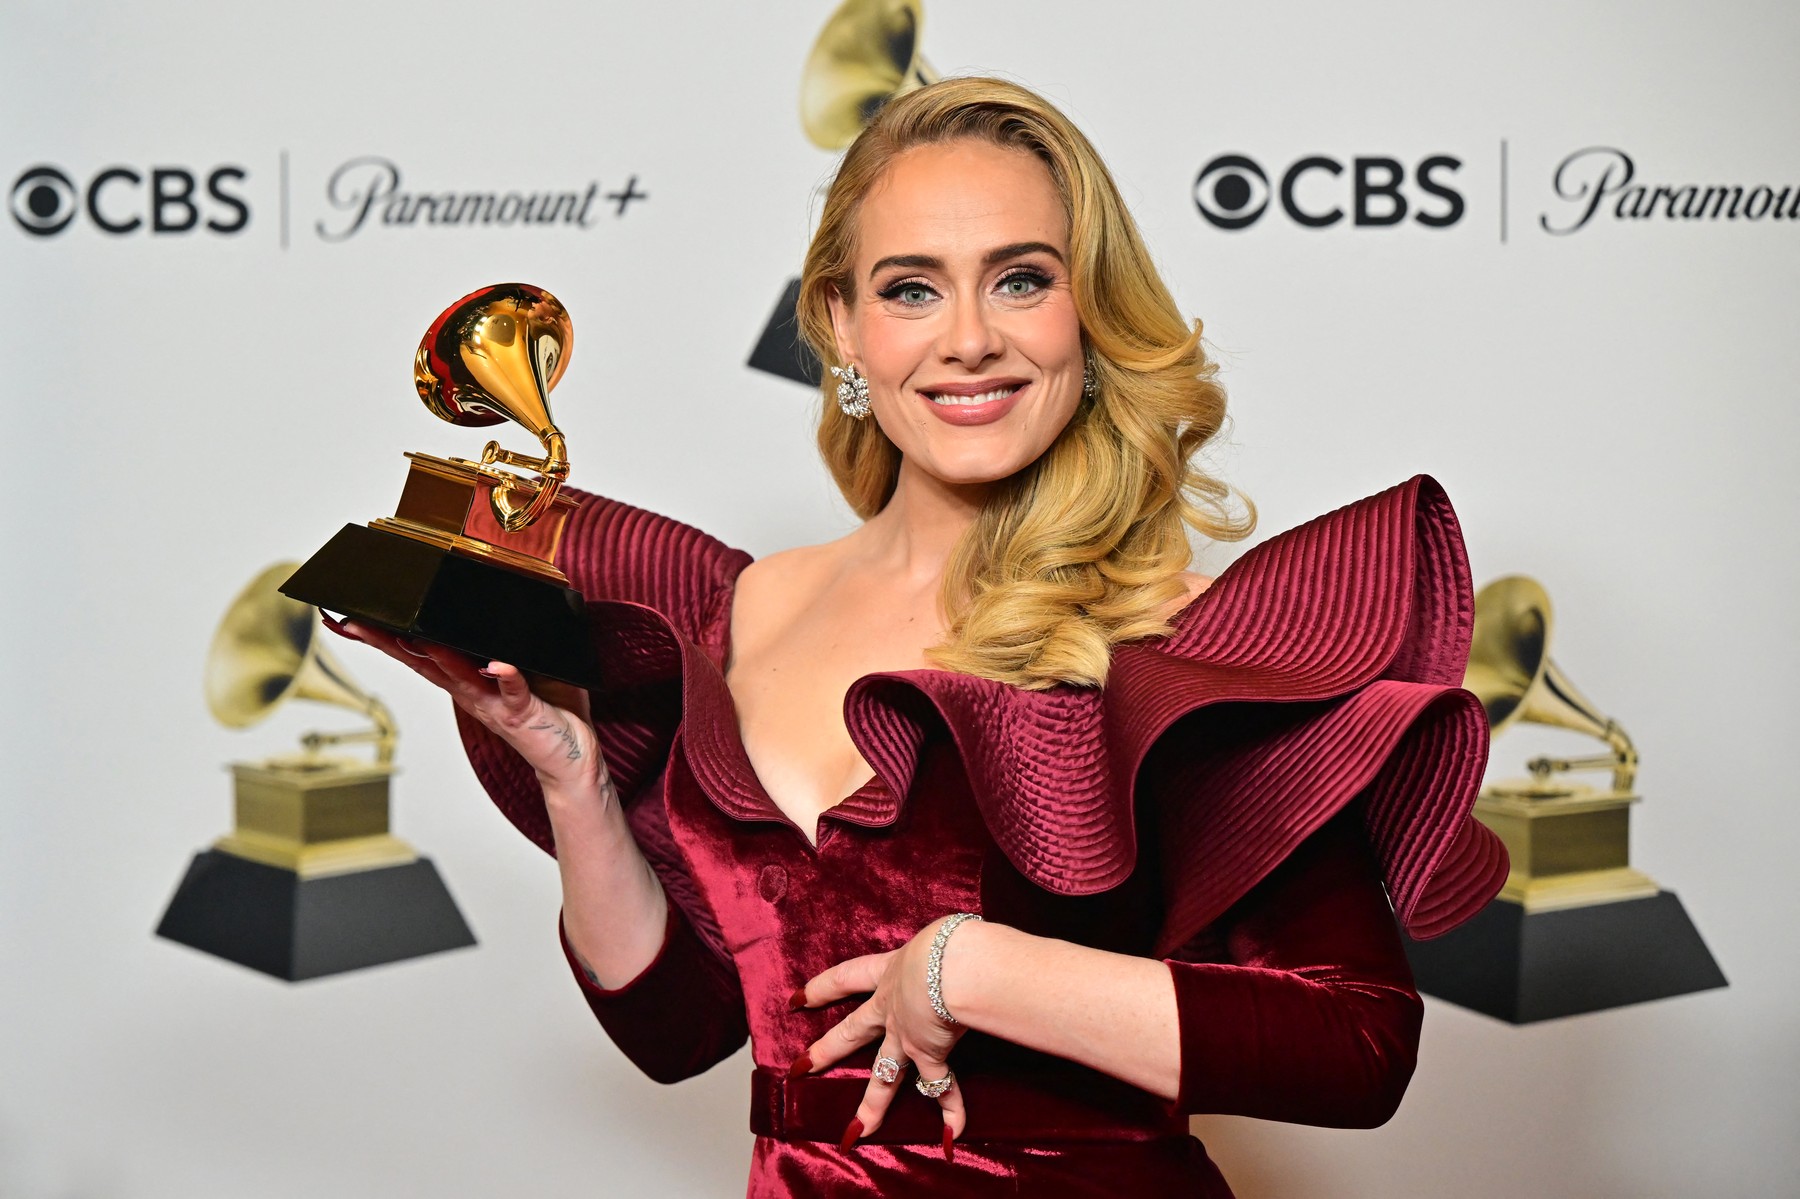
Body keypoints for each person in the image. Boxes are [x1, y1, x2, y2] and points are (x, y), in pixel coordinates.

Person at [330, 77, 1505, 1197]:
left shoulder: (1176, 637)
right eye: (911, 289)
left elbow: (1358, 1043)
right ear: (842, 326)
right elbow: (682, 1030)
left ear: (1088, 311)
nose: (969, 340)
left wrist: (969, 966)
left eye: (1021, 279)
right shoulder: (739, 608)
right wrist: (576, 781)